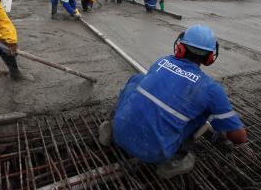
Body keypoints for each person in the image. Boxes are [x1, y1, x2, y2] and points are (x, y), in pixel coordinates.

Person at [98, 25, 247, 178]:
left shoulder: (162, 61)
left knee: (137, 81)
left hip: (119, 133)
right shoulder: (212, 89)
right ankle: (174, 161)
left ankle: (111, 124)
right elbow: (240, 138)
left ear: (180, 48)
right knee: (203, 113)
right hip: (154, 153)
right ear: (210, 57)